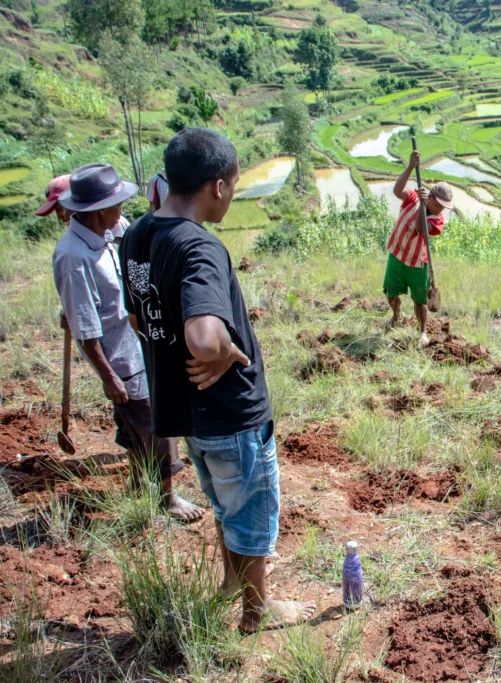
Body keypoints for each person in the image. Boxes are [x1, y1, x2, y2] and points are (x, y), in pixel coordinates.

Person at [120, 128, 315, 632]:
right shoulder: (199, 248)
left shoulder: (137, 234)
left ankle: (231, 582)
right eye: (234, 184)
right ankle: (257, 610)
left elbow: (138, 318)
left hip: (186, 410)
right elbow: (204, 339)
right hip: (230, 411)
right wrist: (225, 351)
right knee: (249, 510)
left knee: (224, 502)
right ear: (219, 187)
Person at [51, 164, 202, 522]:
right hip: (118, 357)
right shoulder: (73, 256)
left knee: (132, 419)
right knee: (156, 422)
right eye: (117, 204)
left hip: (136, 344)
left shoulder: (103, 233)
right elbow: (86, 327)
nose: (122, 209)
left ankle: (137, 482)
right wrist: (108, 376)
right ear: (99, 210)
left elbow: (131, 233)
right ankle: (167, 497)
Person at [382, 150, 453, 347]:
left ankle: (422, 332)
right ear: (430, 196)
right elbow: (397, 191)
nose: (440, 208)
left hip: (417, 262)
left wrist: (423, 206)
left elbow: (421, 229)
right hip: (397, 254)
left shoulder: (437, 219)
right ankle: (397, 316)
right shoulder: (413, 198)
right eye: (438, 203)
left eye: (443, 206)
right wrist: (410, 167)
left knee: (419, 300)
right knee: (391, 292)